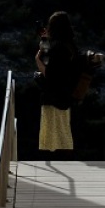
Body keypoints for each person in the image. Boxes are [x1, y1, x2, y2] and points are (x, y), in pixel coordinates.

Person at [35, 11, 78, 156]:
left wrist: (38, 60)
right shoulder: (71, 46)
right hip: (66, 95)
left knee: (51, 140)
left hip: (53, 97)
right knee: (63, 134)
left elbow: (50, 73)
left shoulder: (58, 48)